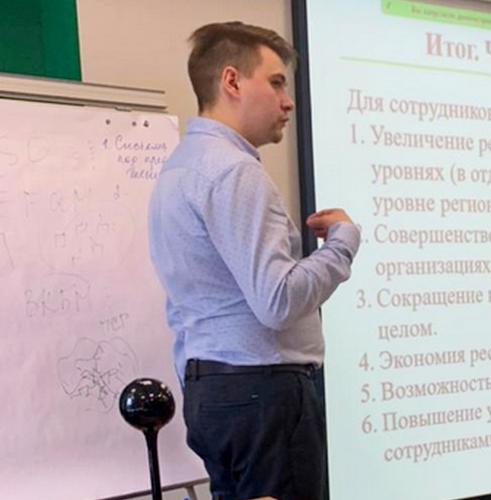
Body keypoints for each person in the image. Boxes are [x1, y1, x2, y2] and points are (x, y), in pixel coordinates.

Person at [147, 21, 359, 500]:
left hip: (214, 391)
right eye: (276, 83)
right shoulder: (233, 171)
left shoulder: (178, 167)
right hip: (263, 394)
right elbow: (277, 301)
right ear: (232, 81)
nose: (288, 102)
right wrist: (341, 245)